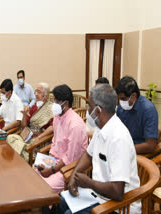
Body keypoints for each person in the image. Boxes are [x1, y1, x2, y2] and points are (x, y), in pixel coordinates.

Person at [57, 84, 141, 214]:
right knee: (62, 201)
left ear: (97, 110)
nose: (88, 109)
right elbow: (88, 155)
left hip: (119, 207)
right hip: (99, 196)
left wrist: (89, 183)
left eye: (89, 106)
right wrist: (75, 174)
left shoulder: (119, 138)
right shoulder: (101, 128)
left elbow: (118, 192)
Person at [36, 84, 88, 194]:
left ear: (66, 103)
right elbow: (54, 142)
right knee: (33, 177)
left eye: (57, 101)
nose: (54, 103)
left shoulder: (75, 125)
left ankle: (47, 209)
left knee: (43, 188)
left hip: (70, 169)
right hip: (56, 162)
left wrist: (51, 170)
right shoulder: (57, 118)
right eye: (54, 100)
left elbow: (70, 158)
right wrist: (47, 162)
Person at [6, 82, 53, 161]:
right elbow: (24, 126)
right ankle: (28, 154)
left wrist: (40, 137)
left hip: (39, 139)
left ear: (46, 96)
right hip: (28, 136)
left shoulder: (50, 108)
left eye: (39, 92)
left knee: (17, 146)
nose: (36, 94)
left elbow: (52, 127)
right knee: (10, 137)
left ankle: (27, 155)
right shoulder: (34, 107)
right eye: (36, 91)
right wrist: (24, 115)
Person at [115, 76, 158, 154]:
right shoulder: (121, 108)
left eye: (123, 99)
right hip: (123, 148)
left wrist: (125, 151)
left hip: (139, 153)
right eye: (119, 99)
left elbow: (150, 146)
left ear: (133, 96)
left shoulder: (148, 110)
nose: (121, 102)